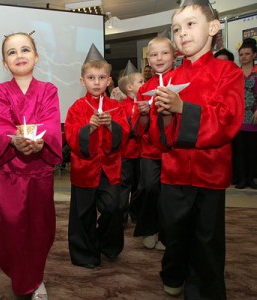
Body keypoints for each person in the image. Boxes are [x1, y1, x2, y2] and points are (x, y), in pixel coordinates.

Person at [148, 1, 244, 298]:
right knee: (174, 231)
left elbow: (227, 119)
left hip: (210, 171)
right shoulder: (171, 77)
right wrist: (164, 115)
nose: (182, 34)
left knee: (206, 236)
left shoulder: (228, 72)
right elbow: (158, 134)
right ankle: (174, 273)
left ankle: (203, 289)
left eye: (190, 24)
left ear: (213, 28)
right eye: (176, 29)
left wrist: (183, 109)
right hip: (174, 169)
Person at [0, 32, 62, 299]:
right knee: (11, 225)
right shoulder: (0, 91)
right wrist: (15, 141)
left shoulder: (48, 90)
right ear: (4, 62)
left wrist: (40, 143)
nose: (19, 55)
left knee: (40, 226)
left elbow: (51, 123)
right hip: (11, 172)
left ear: (36, 55)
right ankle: (20, 272)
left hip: (39, 171)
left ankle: (36, 278)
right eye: (12, 52)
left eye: (25, 49)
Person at [65, 44, 129, 270]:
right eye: (91, 77)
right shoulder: (76, 108)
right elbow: (71, 137)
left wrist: (112, 126)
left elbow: (125, 135)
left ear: (109, 81)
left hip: (109, 169)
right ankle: (85, 253)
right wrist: (88, 129)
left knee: (113, 208)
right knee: (83, 213)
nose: (96, 82)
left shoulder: (116, 107)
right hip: (84, 169)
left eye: (101, 77)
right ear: (83, 81)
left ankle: (107, 244)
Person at [134, 36, 175, 251]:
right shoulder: (144, 88)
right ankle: (149, 228)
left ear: (174, 55)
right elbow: (138, 128)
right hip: (150, 149)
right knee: (149, 188)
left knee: (170, 193)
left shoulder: (182, 81)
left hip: (175, 149)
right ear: (147, 59)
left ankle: (167, 234)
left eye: (164, 53)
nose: (159, 58)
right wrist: (142, 114)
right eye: (153, 54)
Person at [117, 72, 144, 227]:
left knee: (139, 186)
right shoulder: (121, 106)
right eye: (141, 81)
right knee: (125, 184)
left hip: (141, 152)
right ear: (129, 87)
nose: (144, 83)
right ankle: (121, 216)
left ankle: (136, 214)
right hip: (126, 152)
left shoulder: (145, 103)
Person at [233, 39, 257, 189]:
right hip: (237, 119)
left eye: (247, 54)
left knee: (253, 150)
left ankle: (251, 179)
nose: (244, 57)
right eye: (241, 54)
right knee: (239, 151)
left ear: (254, 55)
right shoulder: (234, 74)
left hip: (254, 118)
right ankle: (241, 179)